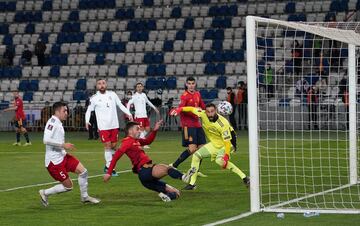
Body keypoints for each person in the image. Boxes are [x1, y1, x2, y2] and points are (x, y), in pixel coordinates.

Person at [103, 120, 196, 202]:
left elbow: (148, 141)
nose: (139, 131)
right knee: (167, 168)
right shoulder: (126, 142)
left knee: (177, 192)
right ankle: (184, 177)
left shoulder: (135, 140)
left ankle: (166, 196)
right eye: (137, 129)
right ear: (130, 131)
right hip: (145, 170)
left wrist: (155, 130)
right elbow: (115, 157)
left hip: (145, 179)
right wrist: (109, 173)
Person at [170, 103, 250, 190]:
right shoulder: (202, 113)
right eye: (208, 112)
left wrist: (226, 155)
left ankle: (245, 177)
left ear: (215, 111)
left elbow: (227, 142)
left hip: (226, 144)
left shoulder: (223, 123)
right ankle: (192, 184)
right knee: (196, 156)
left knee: (219, 161)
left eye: (212, 111)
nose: (210, 114)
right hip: (214, 144)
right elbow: (191, 109)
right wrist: (179, 109)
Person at [39, 102, 100, 207]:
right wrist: (63, 145)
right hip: (54, 162)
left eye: (67, 111)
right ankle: (44, 193)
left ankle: (85, 197)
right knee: (68, 187)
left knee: (83, 172)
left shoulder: (58, 122)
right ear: (57, 112)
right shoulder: (52, 122)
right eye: (64, 111)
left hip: (63, 156)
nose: (67, 113)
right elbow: (45, 140)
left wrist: (63, 147)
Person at [85, 78, 133, 176]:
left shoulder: (112, 94)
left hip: (114, 125)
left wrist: (128, 113)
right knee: (107, 146)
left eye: (103, 83)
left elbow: (120, 105)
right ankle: (110, 167)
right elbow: (89, 110)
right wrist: (87, 121)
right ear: (97, 86)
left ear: (106, 84)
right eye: (99, 84)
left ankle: (108, 166)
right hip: (103, 126)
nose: (101, 85)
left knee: (114, 146)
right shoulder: (94, 98)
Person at [170, 77, 207, 173]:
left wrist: (210, 111)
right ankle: (174, 165)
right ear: (186, 85)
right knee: (192, 148)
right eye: (189, 83)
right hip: (188, 125)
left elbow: (203, 106)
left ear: (195, 84)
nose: (191, 85)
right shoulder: (184, 96)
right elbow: (181, 109)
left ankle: (196, 170)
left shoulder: (198, 94)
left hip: (197, 125)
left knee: (202, 148)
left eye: (192, 83)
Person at [126, 83, 160, 148]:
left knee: (148, 129)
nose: (139, 88)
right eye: (138, 87)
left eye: (140, 86)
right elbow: (128, 104)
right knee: (141, 130)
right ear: (136, 88)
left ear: (142, 88)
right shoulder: (134, 96)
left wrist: (154, 108)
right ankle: (144, 143)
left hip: (145, 115)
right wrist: (128, 113)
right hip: (139, 116)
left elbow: (148, 102)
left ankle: (137, 139)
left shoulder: (144, 95)